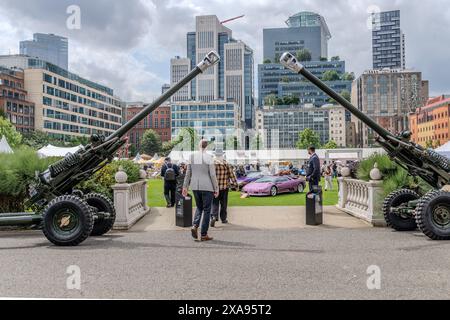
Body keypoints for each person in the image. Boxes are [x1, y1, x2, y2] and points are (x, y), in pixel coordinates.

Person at [183, 140, 219, 242]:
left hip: (195, 186)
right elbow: (212, 175)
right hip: (207, 186)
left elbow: (188, 173)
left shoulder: (191, 156)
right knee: (207, 210)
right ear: (207, 147)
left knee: (199, 207)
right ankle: (204, 234)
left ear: (198, 146)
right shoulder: (209, 157)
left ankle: (195, 225)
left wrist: (185, 187)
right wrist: (216, 188)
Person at [211, 149, 238, 227]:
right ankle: (223, 219)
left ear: (215, 155)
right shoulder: (226, 163)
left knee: (214, 203)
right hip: (224, 187)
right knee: (224, 204)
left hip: (214, 188)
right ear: (222, 155)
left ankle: (214, 216)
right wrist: (236, 185)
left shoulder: (212, 163)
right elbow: (231, 175)